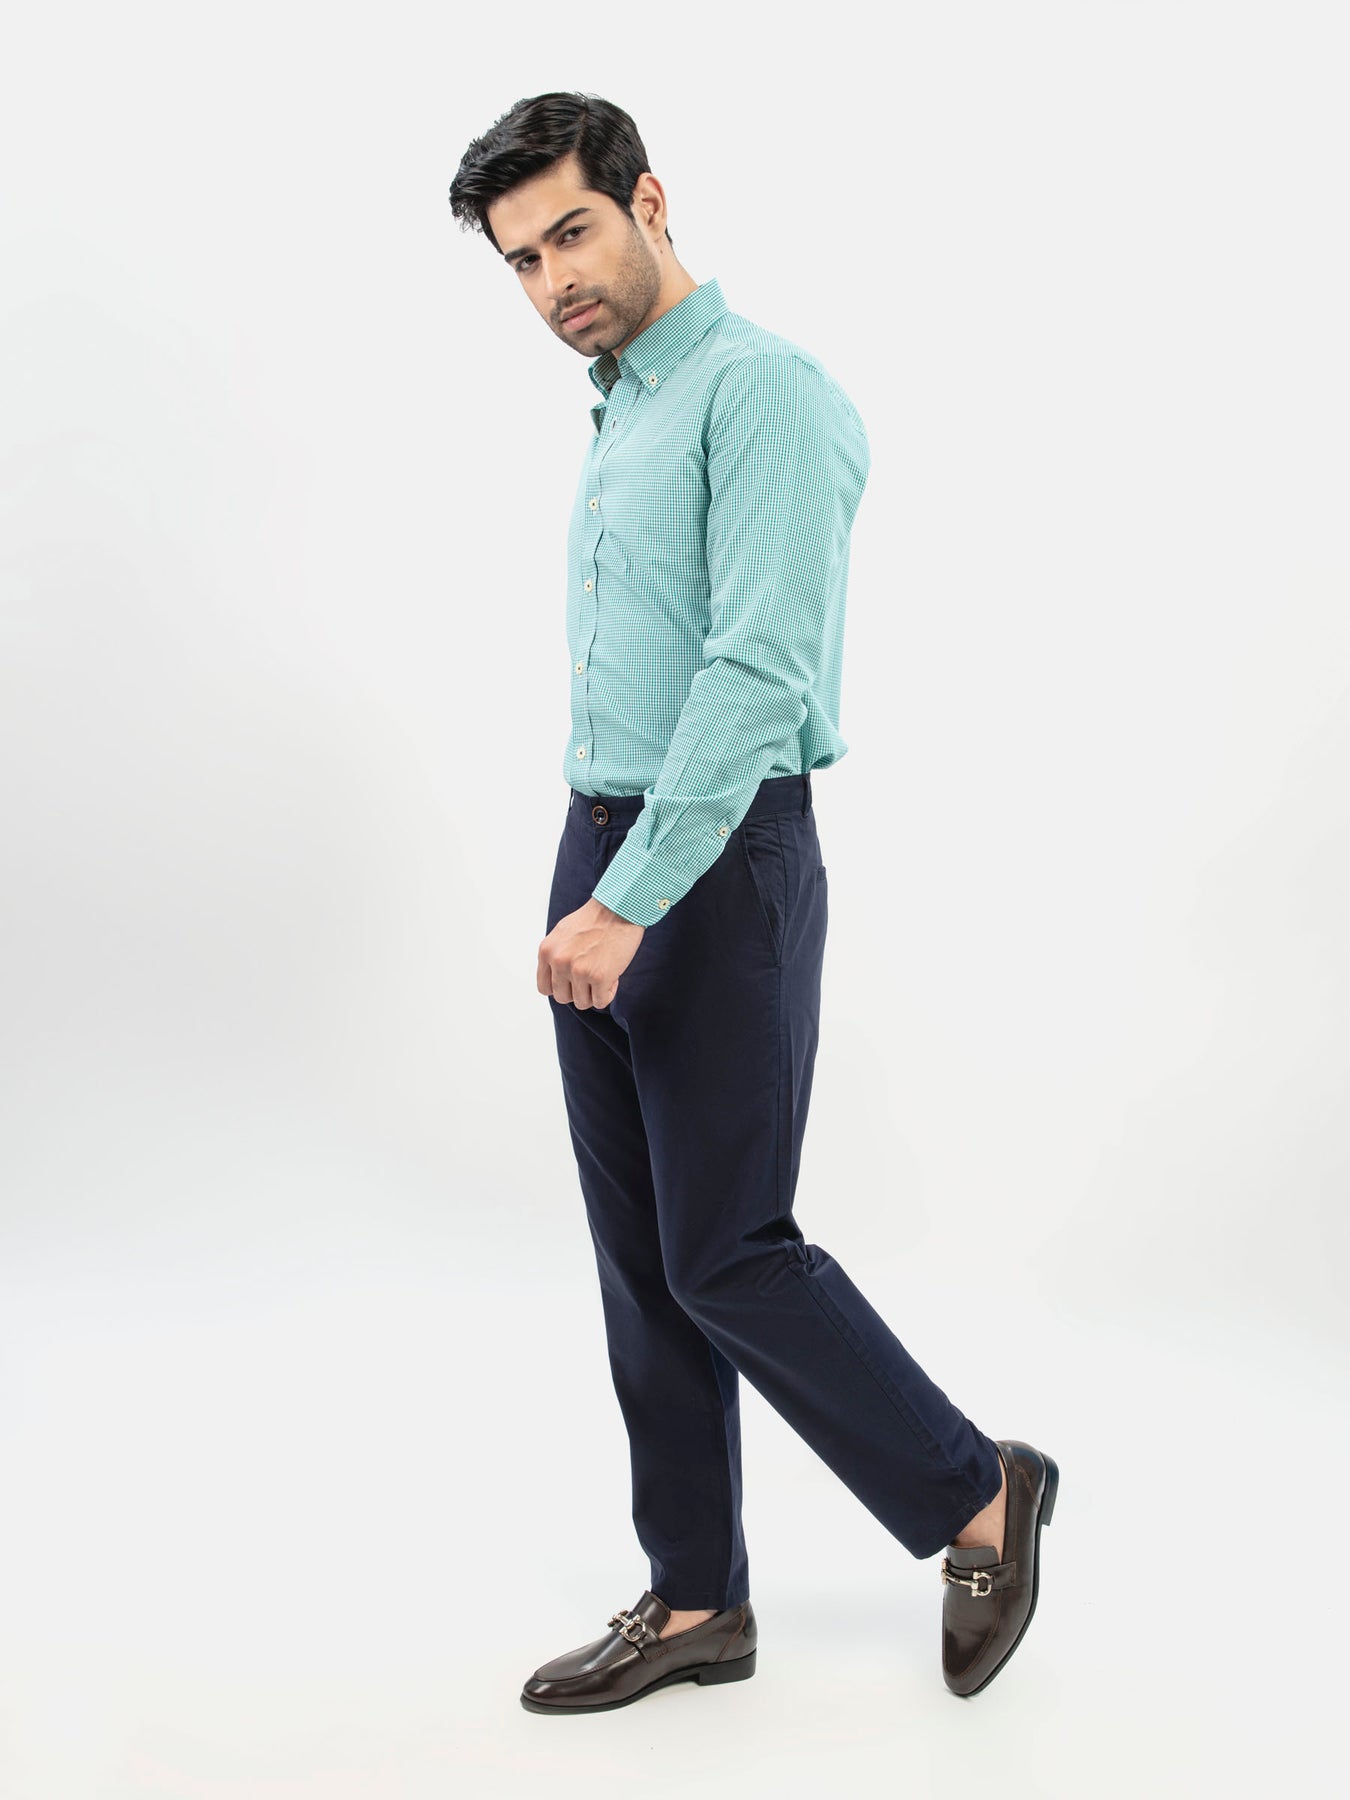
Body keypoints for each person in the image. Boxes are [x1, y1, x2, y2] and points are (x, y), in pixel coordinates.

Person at [448, 90, 1057, 1713]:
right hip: (601, 844)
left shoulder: (761, 391)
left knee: (727, 1251)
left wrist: (631, 897)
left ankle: (979, 1493)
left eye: (572, 233)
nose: (552, 282)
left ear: (649, 201)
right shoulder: (623, 411)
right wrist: (594, 876)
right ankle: (695, 1599)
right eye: (520, 261)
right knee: (643, 1262)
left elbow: (757, 670)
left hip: (710, 864)